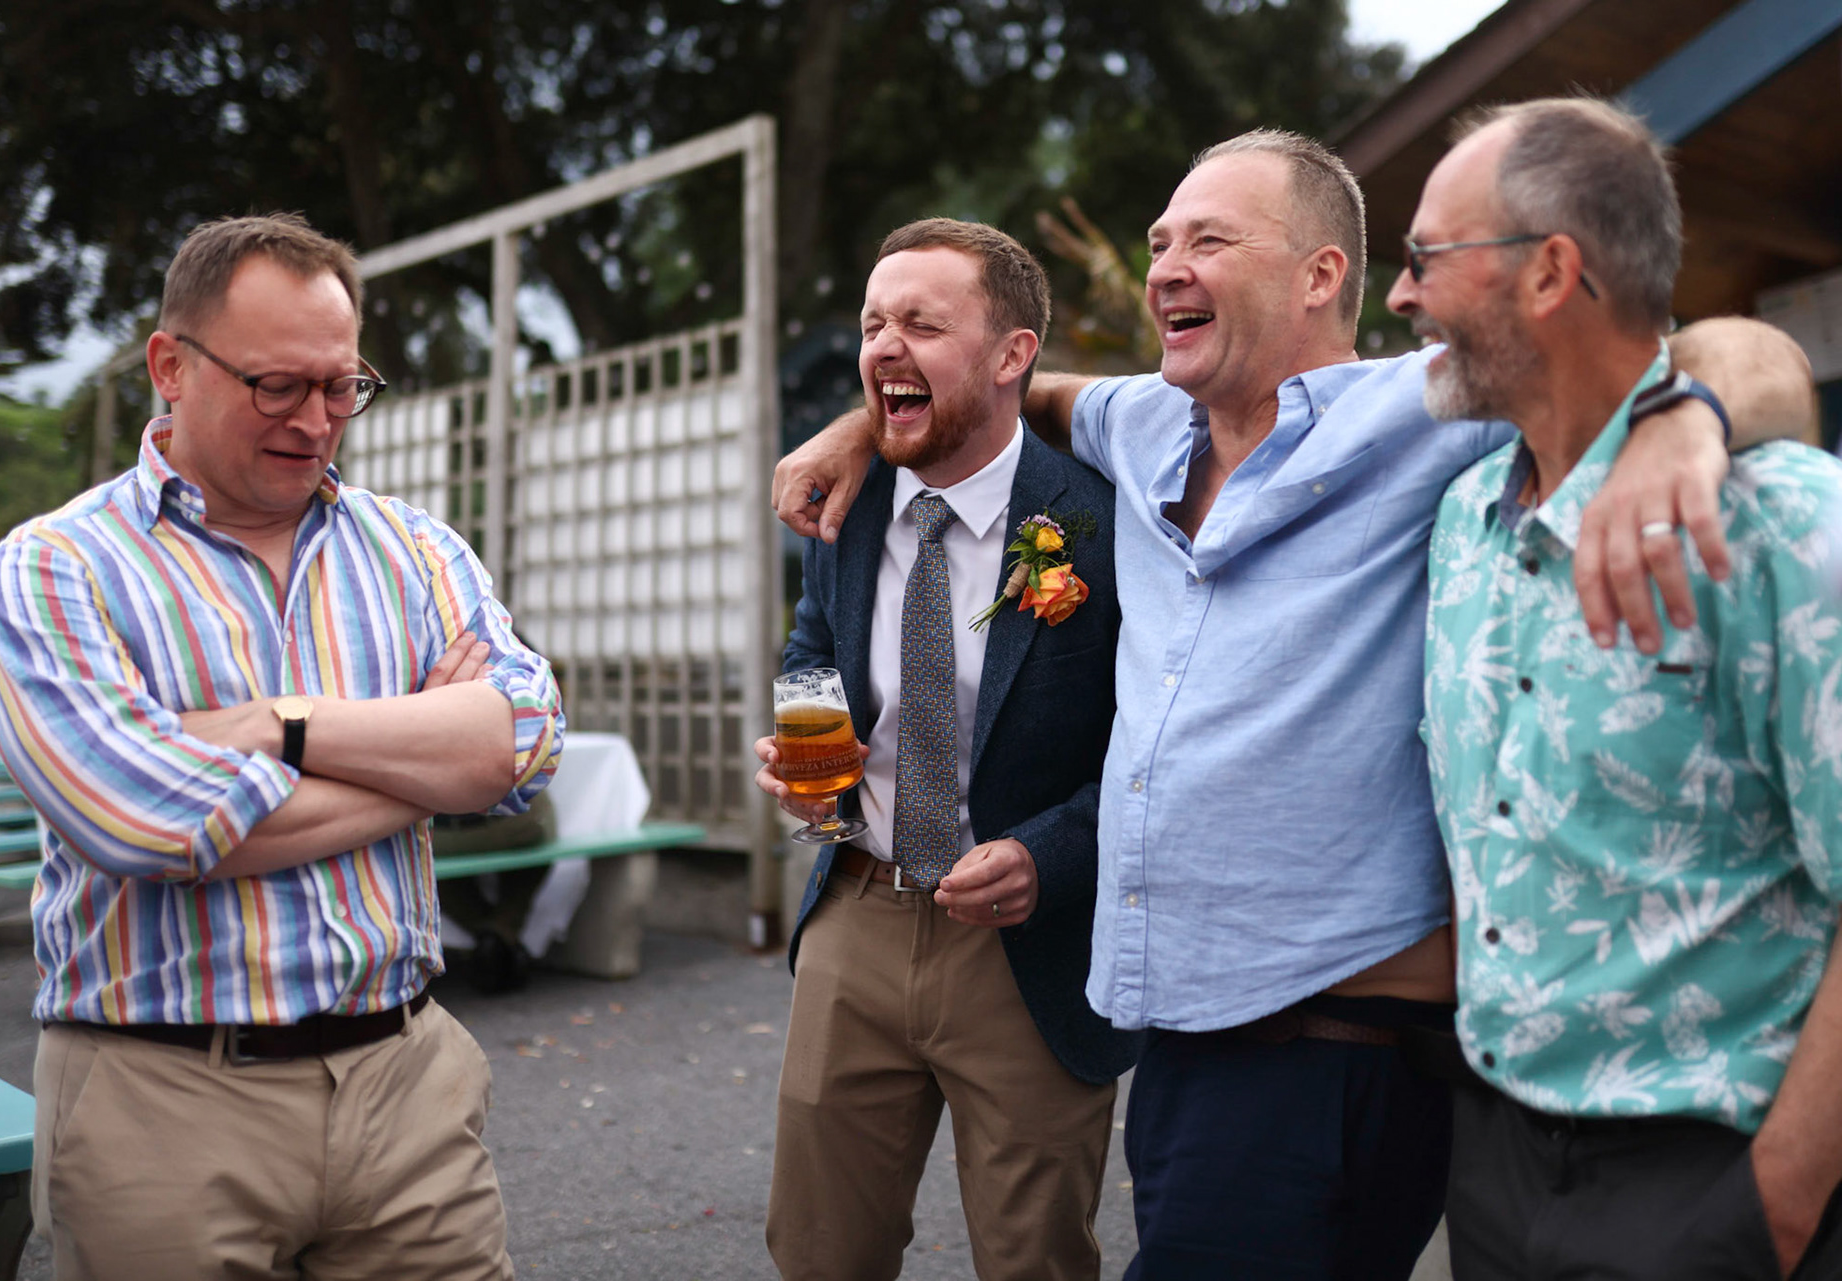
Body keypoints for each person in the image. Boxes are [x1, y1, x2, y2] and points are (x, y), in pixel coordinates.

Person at [772, 130, 1813, 1277]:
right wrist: (865, 424)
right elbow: (1018, 391)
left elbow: (1738, 352)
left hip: (1345, 1043)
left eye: (1208, 239)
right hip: (1182, 1040)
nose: (1167, 263)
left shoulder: (1430, 411)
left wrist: (1682, 416)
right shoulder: (1143, 422)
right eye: (1160, 240)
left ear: (1321, 276)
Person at [0, 212, 564, 1281]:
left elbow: (526, 736)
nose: (318, 419)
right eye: (277, 386)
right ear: (171, 367)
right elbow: (146, 820)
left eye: (342, 386)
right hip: (163, 1102)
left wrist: (278, 731)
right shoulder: (52, 569)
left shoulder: (416, 548)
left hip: (407, 1087)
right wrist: (429, 770)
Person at [1400, 97, 1842, 1280]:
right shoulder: (1462, 521)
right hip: (1492, 1163)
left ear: (1550, 272)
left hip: (1712, 1176)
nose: (1400, 298)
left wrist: (1776, 1210)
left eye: (1425, 260)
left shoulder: (1786, 524)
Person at [755, 218, 1136, 1280]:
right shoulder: (850, 495)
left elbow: (1160, 743)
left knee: (1035, 1259)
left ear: (1014, 354)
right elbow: (814, 641)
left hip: (1026, 947)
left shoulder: (1103, 524)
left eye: (922, 322)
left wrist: (1051, 856)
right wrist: (807, 754)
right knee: (817, 1249)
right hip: (855, 917)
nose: (883, 344)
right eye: (874, 322)